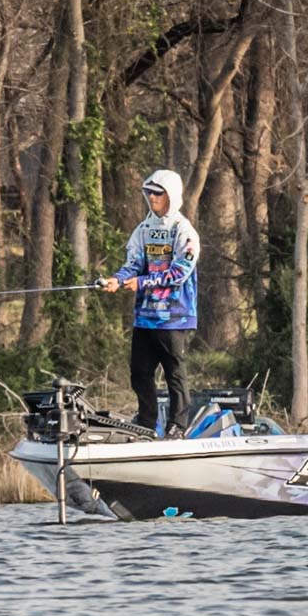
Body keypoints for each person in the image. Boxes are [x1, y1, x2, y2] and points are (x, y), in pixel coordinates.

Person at [102, 168, 200, 436]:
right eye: (149, 193)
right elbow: (133, 264)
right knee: (139, 372)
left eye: (158, 193)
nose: (152, 198)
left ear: (171, 196)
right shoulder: (143, 229)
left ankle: (178, 425)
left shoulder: (185, 231)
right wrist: (117, 280)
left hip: (174, 316)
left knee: (174, 374)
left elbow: (180, 272)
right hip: (145, 316)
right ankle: (146, 422)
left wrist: (143, 282)